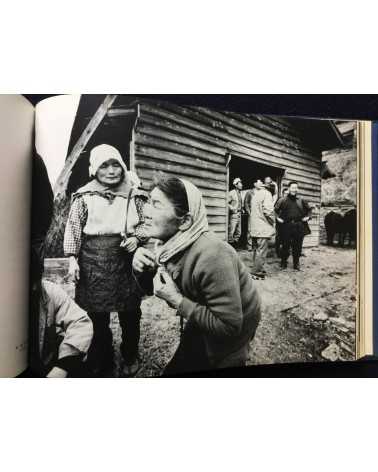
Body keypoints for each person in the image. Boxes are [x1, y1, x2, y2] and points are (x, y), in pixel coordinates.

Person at [132, 175, 261, 375]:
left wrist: (177, 300)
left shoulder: (213, 255)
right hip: (204, 313)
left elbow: (229, 326)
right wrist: (143, 272)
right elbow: (160, 288)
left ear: (185, 221)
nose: (145, 211)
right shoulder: (171, 246)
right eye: (149, 200)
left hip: (235, 324)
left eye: (156, 204)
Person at [63, 144, 149, 376]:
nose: (111, 171)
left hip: (125, 259)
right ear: (94, 169)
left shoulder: (135, 194)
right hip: (93, 261)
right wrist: (72, 259)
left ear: (122, 166)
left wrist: (136, 238)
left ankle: (130, 353)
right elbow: (74, 229)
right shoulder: (83, 196)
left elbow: (146, 223)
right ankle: (103, 355)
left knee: (130, 313)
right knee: (96, 314)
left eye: (116, 165)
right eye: (104, 165)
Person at [29, 246, 93, 377]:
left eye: (36, 281)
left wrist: (63, 366)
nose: (35, 288)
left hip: (43, 365)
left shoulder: (49, 291)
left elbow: (81, 322)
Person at [275, 181, 312, 271]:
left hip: (299, 225)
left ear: (297, 189)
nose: (294, 189)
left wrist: (308, 217)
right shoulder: (282, 200)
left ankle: (296, 263)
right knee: (285, 245)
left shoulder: (301, 200)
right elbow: (275, 210)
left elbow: (309, 210)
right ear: (289, 188)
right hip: (286, 226)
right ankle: (283, 262)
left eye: (296, 187)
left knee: (298, 246)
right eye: (292, 187)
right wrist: (277, 218)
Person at [249, 179, 275, 279]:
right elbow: (268, 211)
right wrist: (273, 222)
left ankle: (257, 268)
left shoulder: (257, 194)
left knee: (257, 249)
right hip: (262, 227)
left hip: (255, 226)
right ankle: (256, 272)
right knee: (262, 250)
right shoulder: (267, 194)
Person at [228, 177, 243, 247]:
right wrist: (232, 208)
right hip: (234, 214)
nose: (241, 185)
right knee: (232, 231)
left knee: (239, 232)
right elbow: (226, 202)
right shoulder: (231, 193)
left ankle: (235, 245)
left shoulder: (240, 194)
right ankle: (230, 245)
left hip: (239, 214)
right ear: (236, 185)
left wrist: (242, 209)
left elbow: (239, 203)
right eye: (240, 184)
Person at [274, 188, 289, 258]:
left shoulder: (290, 201)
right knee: (278, 237)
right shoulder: (280, 200)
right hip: (280, 221)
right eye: (285, 193)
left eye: (288, 194)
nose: (287, 195)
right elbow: (275, 210)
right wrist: (277, 218)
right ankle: (277, 251)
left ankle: (285, 252)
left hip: (287, 221)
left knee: (286, 237)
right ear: (283, 194)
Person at [244, 186, 255, 251]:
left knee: (256, 229)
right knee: (250, 229)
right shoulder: (249, 192)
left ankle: (255, 245)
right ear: (255, 184)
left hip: (258, 214)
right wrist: (249, 212)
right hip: (252, 213)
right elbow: (246, 203)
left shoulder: (260, 192)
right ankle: (249, 245)